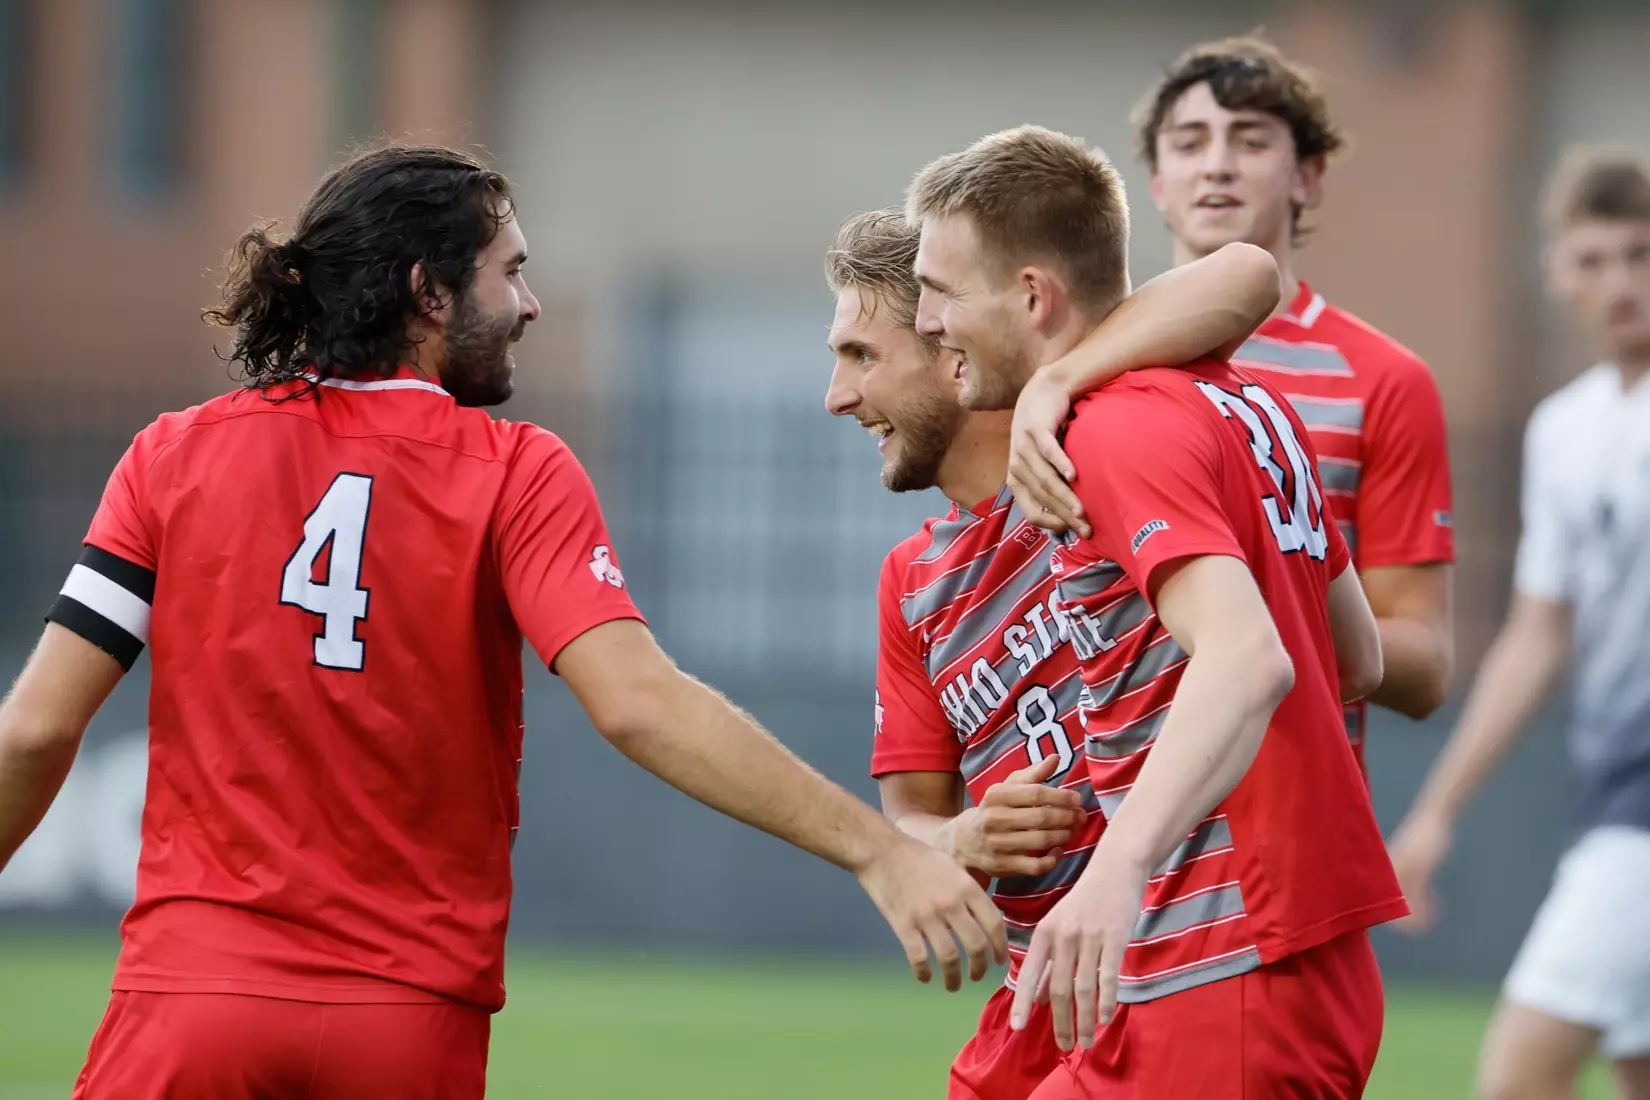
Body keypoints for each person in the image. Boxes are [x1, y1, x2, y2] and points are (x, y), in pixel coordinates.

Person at [0, 145, 1006, 1100]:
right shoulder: (516, 471)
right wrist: (877, 849)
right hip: (402, 1018)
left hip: (192, 1005)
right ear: (426, 291)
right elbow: (640, 705)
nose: (529, 304)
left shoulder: (171, 456)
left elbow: (38, 729)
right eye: (510, 271)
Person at [907, 124, 1402, 1097]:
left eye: (940, 289)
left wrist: (1118, 865)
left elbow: (1250, 659)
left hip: (1229, 961)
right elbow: (1357, 654)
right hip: (1259, 954)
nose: (926, 319)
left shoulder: (1117, 425)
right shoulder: (1241, 396)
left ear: (1034, 295)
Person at [823, 209, 1279, 1100]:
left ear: (950, 347)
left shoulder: (1099, 448)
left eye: (860, 356)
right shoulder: (911, 581)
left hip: (1182, 949)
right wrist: (961, 836)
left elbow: (1245, 276)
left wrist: (1054, 381)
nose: (837, 395)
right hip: (1038, 987)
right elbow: (910, 816)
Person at [1008, 35, 1455, 764]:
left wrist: (1241, 620)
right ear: (1154, 181)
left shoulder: (1383, 378)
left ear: (1307, 176)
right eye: (1189, 143)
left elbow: (1425, 664)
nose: (1217, 163)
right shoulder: (1065, 346)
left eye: (1249, 141)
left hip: (1292, 801)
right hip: (1103, 795)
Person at [1387, 147, 1650, 1100]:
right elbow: (1537, 637)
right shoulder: (1564, 431)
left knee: (1516, 1080)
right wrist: (1438, 812)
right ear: (1557, 272)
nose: (1620, 281)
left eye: (1641, 254)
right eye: (1594, 259)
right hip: (1613, 795)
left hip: (1640, 819)